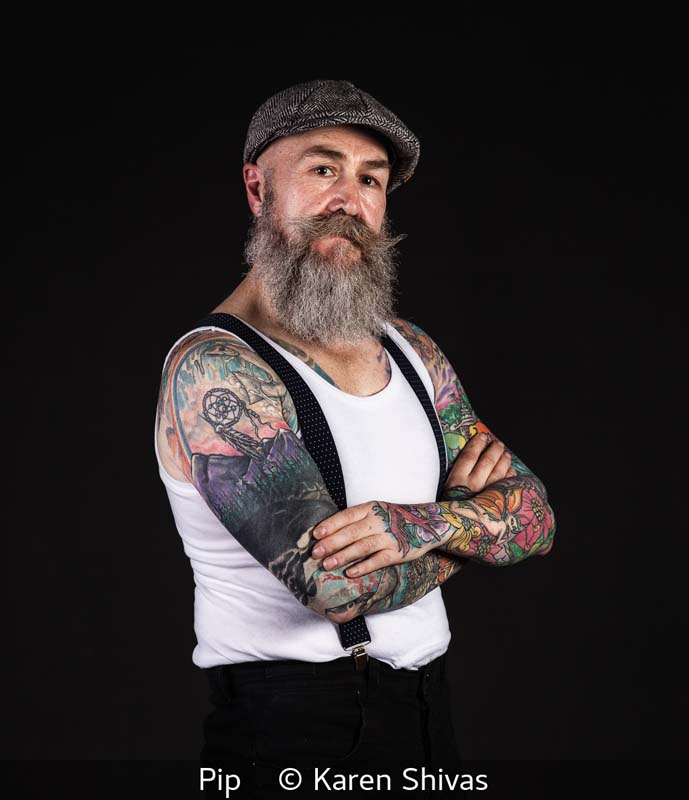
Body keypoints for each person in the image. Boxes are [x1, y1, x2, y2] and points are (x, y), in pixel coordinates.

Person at [153, 78, 556, 794]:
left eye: (370, 179)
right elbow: (338, 590)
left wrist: (424, 526)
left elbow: (538, 518)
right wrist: (474, 526)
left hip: (426, 711)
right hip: (293, 729)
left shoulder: (410, 349)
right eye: (323, 169)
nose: (349, 198)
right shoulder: (216, 370)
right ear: (257, 188)